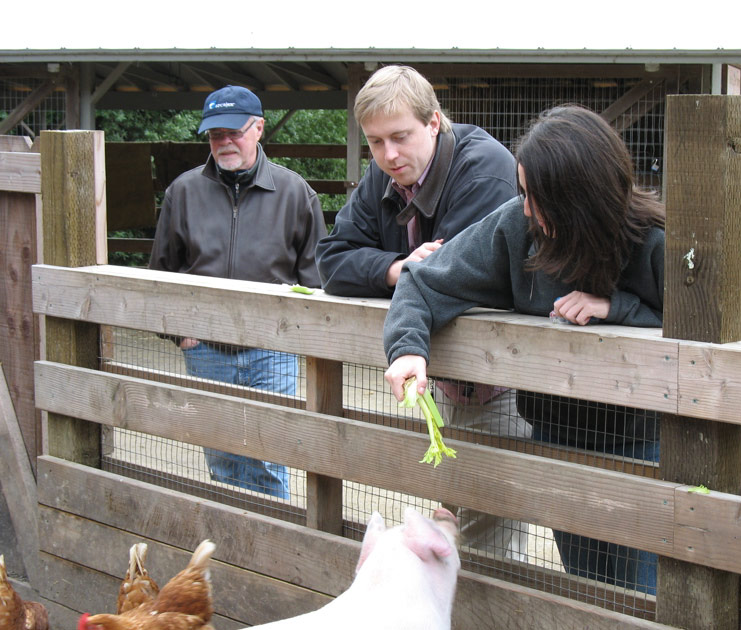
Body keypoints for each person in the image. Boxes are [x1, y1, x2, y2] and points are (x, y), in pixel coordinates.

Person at [382, 105, 665, 594]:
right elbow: (422, 282)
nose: (528, 208)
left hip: (642, 446)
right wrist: (408, 348)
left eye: (540, 197)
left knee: (642, 596)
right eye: (524, 192)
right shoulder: (518, 227)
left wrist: (617, 308)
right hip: (557, 438)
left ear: (582, 198)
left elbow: (700, 340)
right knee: (590, 590)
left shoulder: (654, 243)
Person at [316, 65, 531, 559]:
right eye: (374, 143)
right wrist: (397, 269)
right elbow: (331, 261)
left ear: (434, 122)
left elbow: (452, 275)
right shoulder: (384, 174)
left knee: (488, 550)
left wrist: (420, 276)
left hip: (499, 383)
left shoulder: (485, 171)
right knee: (447, 533)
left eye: (400, 137)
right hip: (433, 381)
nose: (388, 155)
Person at [150, 85, 327, 500]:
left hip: (272, 349)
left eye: (234, 132)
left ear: (259, 128)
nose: (224, 142)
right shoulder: (183, 193)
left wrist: (293, 339)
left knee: (270, 456)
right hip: (207, 348)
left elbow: (317, 280)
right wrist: (179, 333)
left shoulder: (295, 193)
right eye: (215, 135)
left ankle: (272, 555)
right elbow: (160, 274)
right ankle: (229, 555)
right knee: (222, 455)